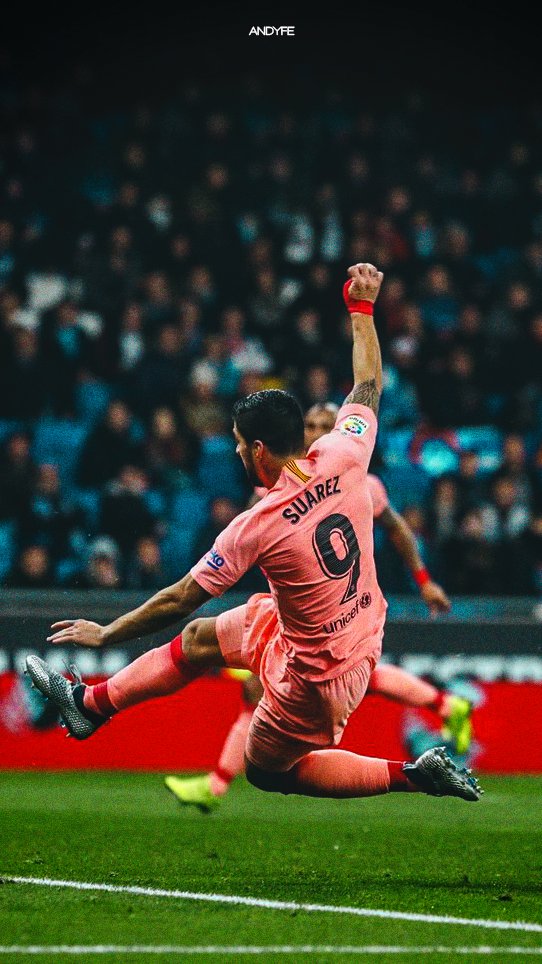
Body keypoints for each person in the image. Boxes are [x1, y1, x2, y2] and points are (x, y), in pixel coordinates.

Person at [26, 264, 482, 812]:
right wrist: (362, 308)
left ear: (260, 449)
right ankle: (89, 705)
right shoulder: (346, 453)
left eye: (241, 444)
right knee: (200, 639)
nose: (238, 453)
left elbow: (178, 596)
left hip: (316, 677)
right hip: (354, 631)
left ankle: (413, 774)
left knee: (268, 772)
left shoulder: (257, 525)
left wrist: (107, 634)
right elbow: (367, 384)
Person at [166, 404, 472, 814]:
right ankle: (445, 707)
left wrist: (423, 580)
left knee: (324, 686)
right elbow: (248, 540)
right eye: (310, 425)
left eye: (326, 425)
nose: (316, 432)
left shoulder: (356, 477)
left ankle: (217, 784)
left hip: (342, 610)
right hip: (293, 612)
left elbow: (396, 529)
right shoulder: (275, 484)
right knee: (263, 690)